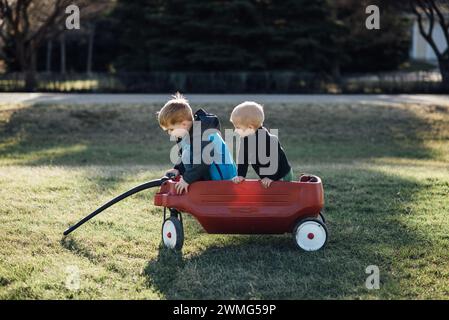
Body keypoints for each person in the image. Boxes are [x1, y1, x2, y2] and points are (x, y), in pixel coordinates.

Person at [157, 93, 236, 194]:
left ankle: (200, 195)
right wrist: (177, 169)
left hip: (222, 181)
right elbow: (186, 156)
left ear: (184, 124)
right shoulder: (187, 134)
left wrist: (187, 180)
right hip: (209, 176)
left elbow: (204, 161)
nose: (169, 133)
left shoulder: (202, 133)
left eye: (171, 129)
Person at [230, 101, 292, 188]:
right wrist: (241, 175)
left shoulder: (269, 140)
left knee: (280, 194)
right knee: (269, 191)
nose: (235, 131)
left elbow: (275, 161)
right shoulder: (245, 140)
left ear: (250, 127)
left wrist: (271, 177)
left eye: (238, 127)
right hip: (266, 175)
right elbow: (243, 159)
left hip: (281, 174)